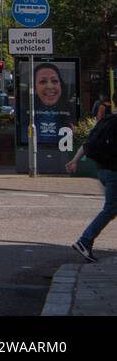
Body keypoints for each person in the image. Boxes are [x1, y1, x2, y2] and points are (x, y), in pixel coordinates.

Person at [67, 102, 117, 261]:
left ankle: (85, 241)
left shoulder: (106, 120)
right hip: (114, 172)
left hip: (102, 170)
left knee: (112, 207)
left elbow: (88, 143)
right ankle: (84, 241)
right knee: (110, 209)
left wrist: (74, 160)